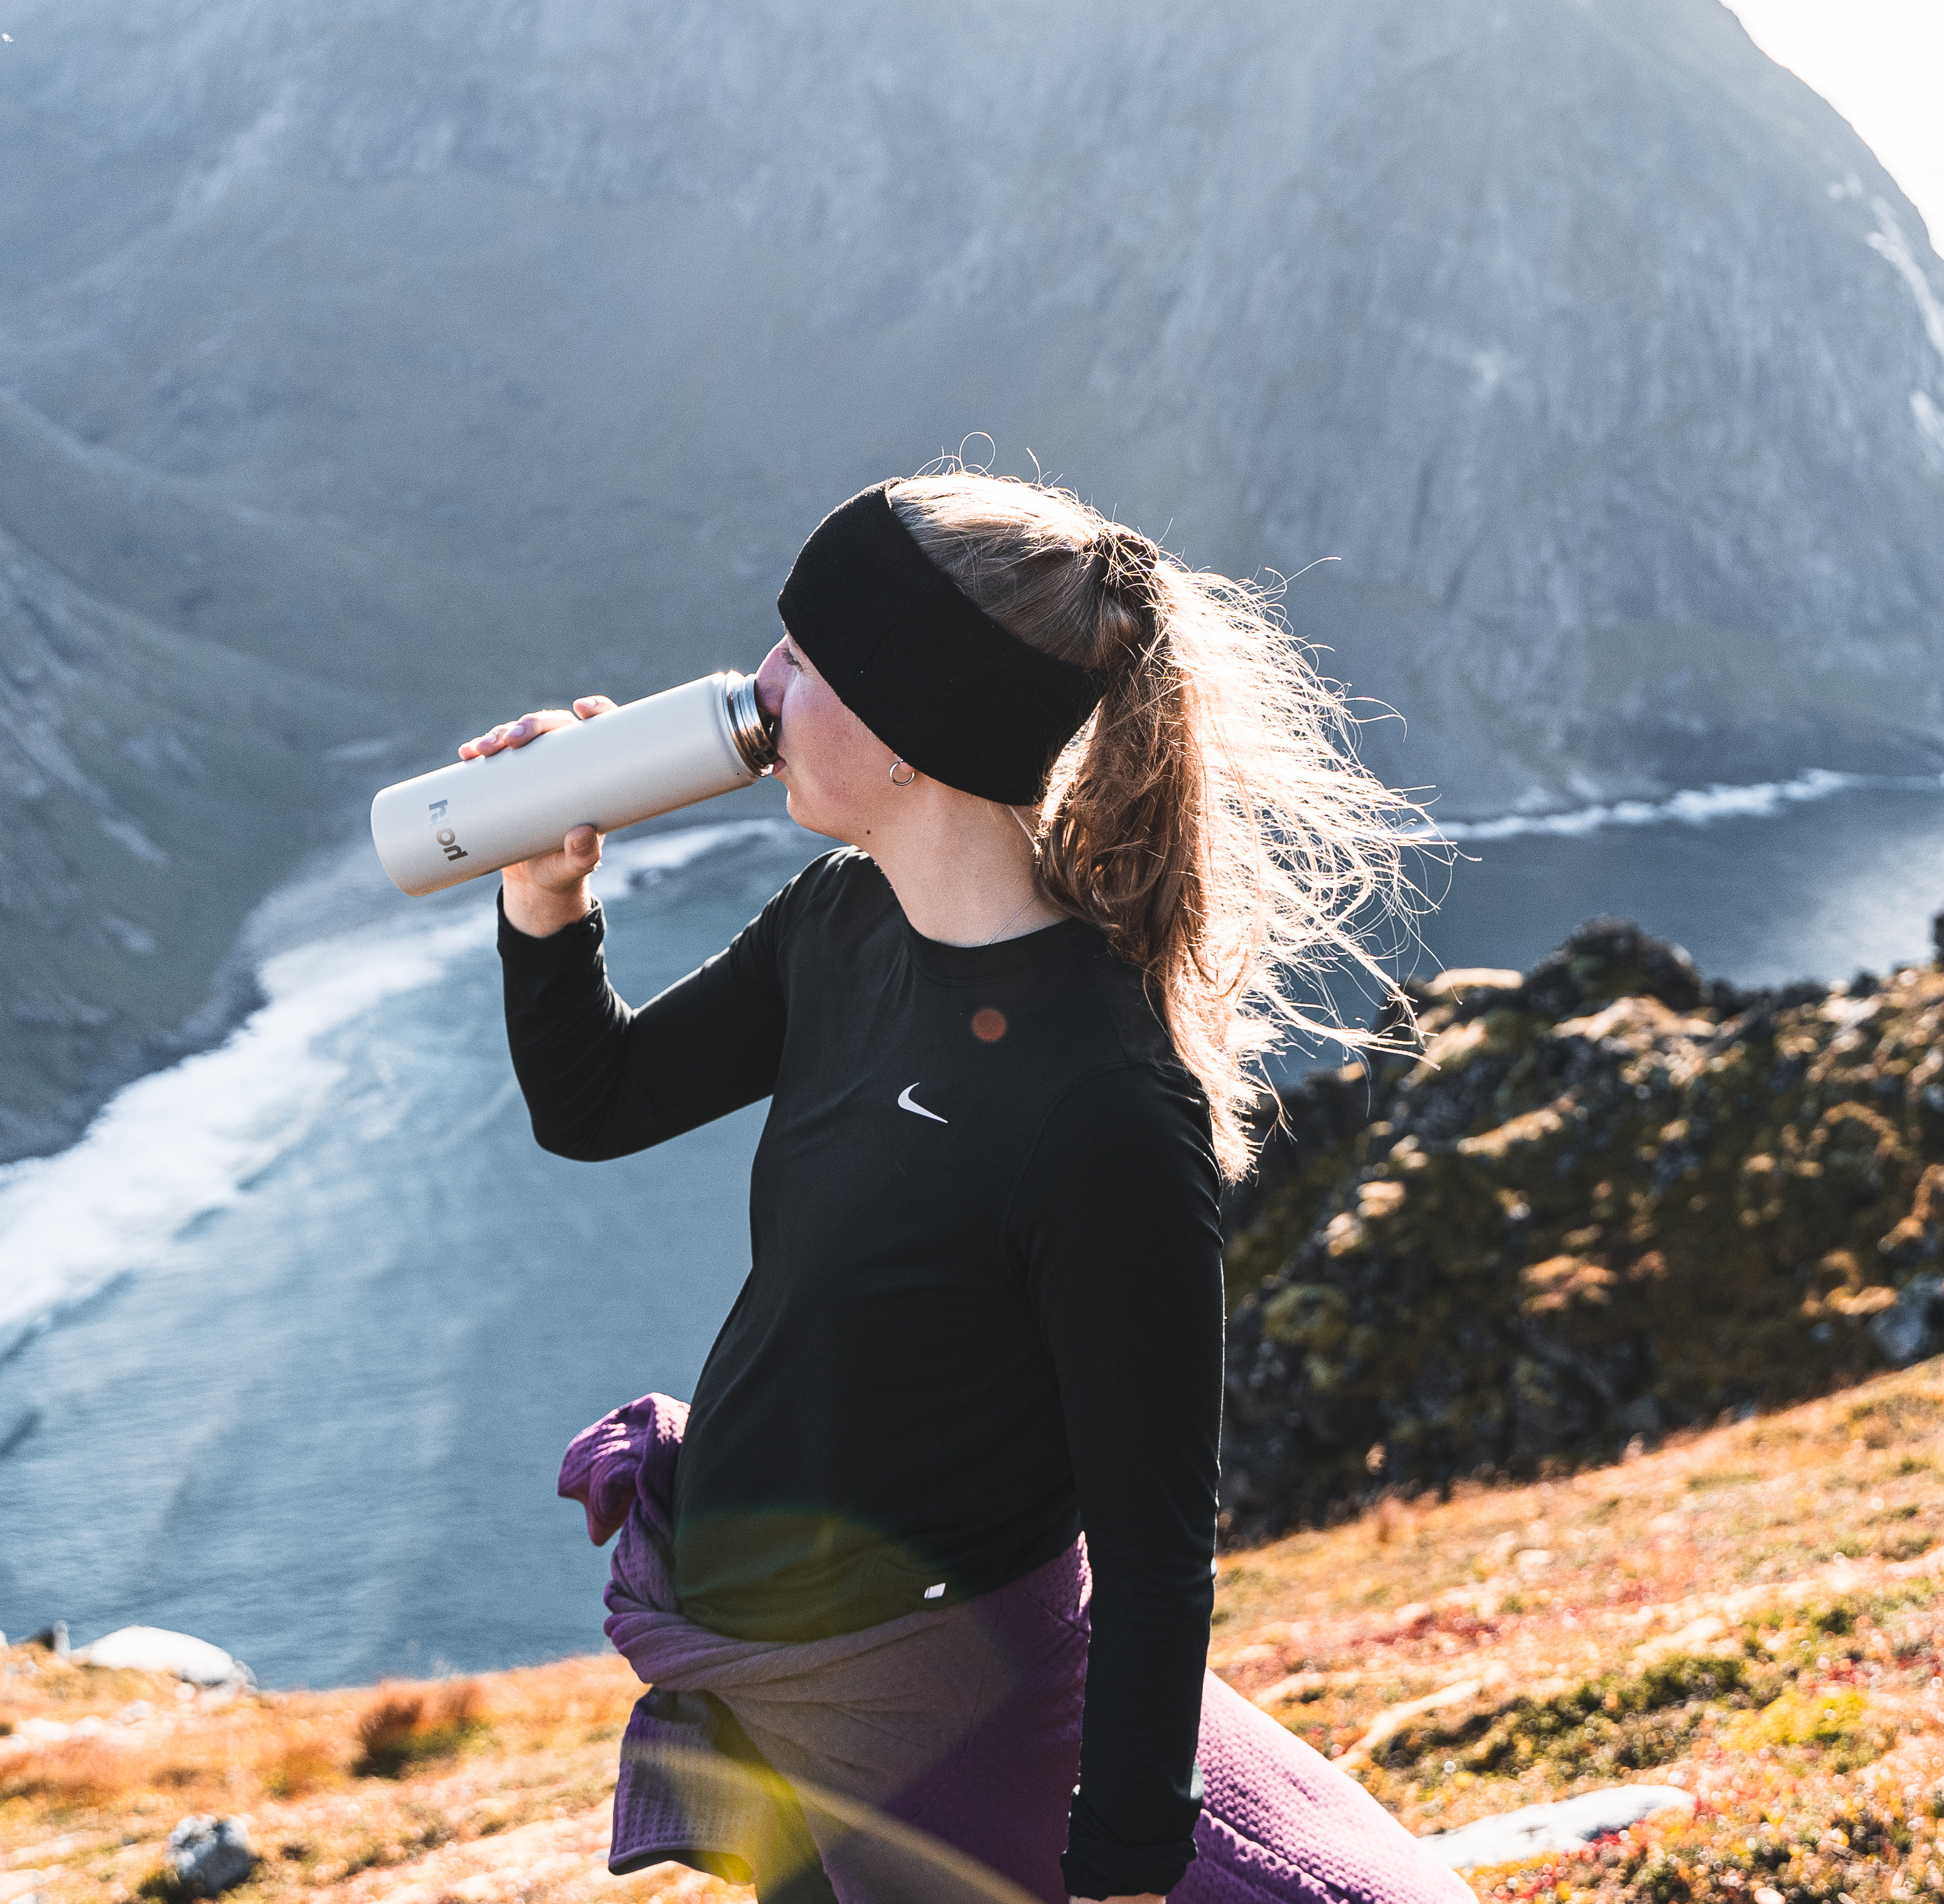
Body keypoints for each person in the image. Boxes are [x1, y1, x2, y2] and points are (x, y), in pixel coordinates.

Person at [470, 472, 1470, 1904]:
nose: (759, 683)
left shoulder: (1108, 1110)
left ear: (913, 729)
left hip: (953, 1714)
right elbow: (597, 1104)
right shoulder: (843, 921)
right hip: (794, 1691)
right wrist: (545, 900)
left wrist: (1122, 1868)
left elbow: (1153, 1552)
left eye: (805, 657)